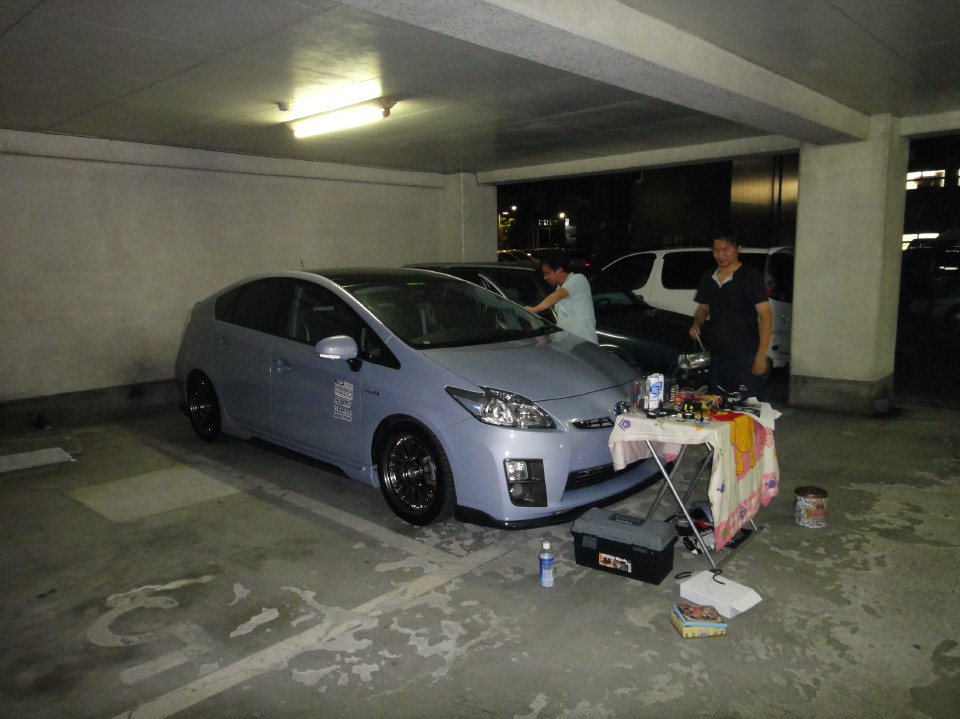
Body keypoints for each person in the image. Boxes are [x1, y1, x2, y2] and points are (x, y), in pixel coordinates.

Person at [689, 229, 772, 400]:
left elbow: (765, 317)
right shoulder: (708, 277)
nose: (720, 255)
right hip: (718, 354)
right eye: (716, 250)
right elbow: (703, 308)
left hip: (746, 354)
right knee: (719, 402)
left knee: (749, 404)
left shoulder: (751, 276)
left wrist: (761, 355)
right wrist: (697, 323)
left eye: (725, 250)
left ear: (738, 248)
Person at [525, 252, 598, 343]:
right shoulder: (559, 288)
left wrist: (535, 309)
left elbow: (558, 295)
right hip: (568, 346)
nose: (545, 277)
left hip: (584, 345)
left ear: (559, 270)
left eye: (547, 273)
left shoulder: (578, 279)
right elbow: (563, 322)